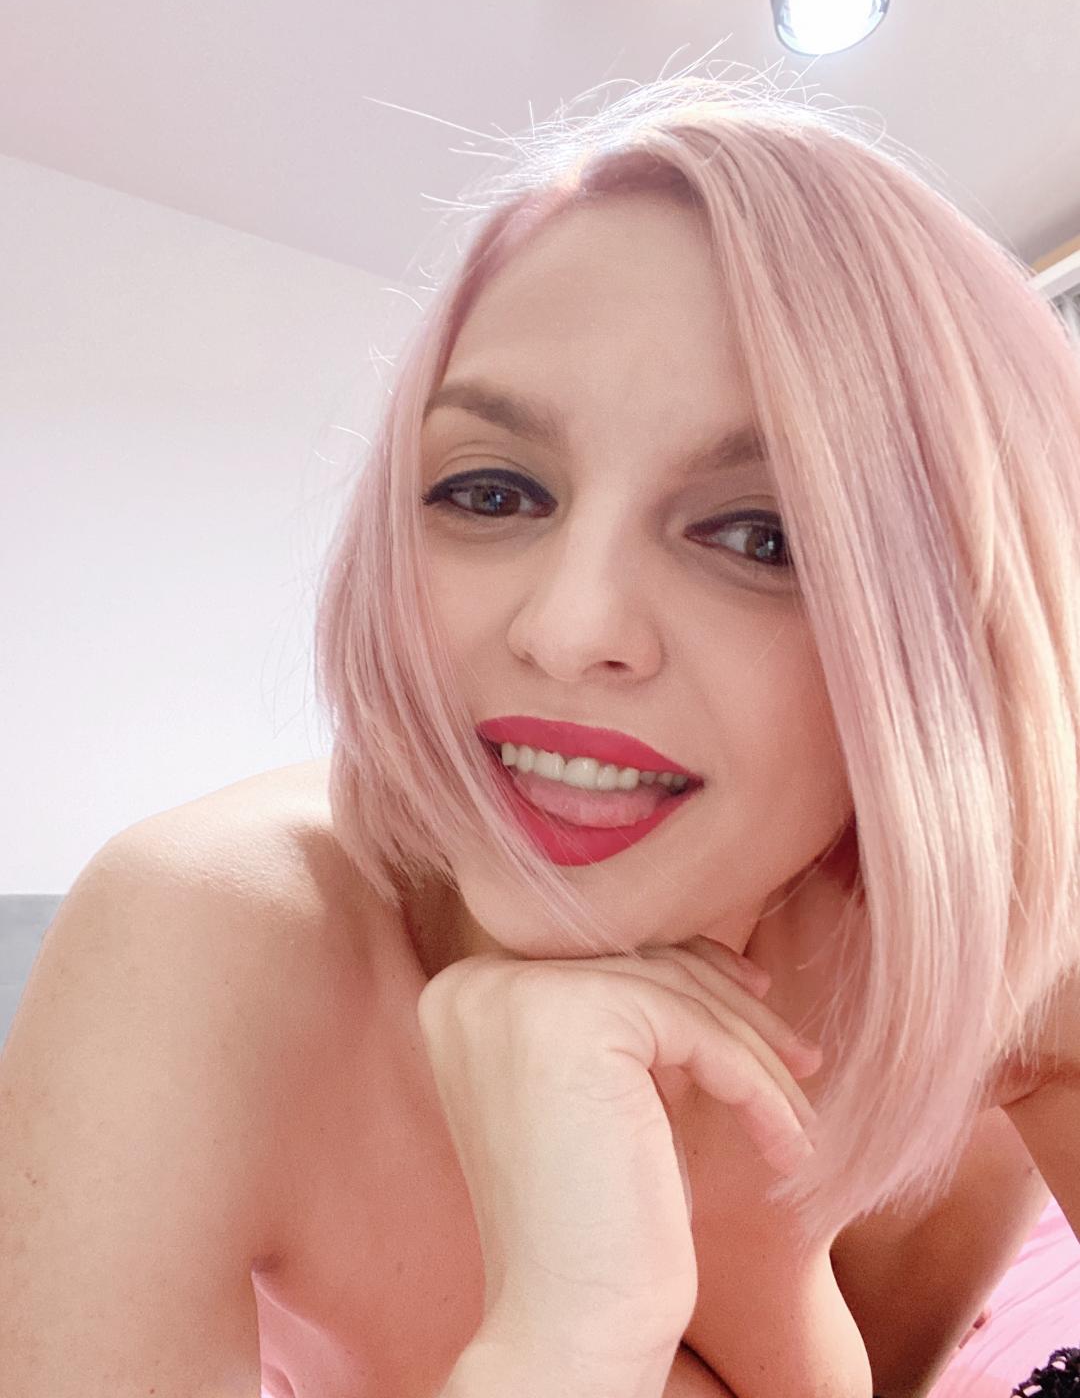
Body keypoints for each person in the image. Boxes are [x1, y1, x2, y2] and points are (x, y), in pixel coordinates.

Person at [3, 70, 1079, 1398]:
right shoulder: (204, 941)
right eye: (494, 491)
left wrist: (762, 1268)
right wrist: (566, 1338)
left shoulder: (985, 952)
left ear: (954, 640)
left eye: (764, 535)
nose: (568, 631)